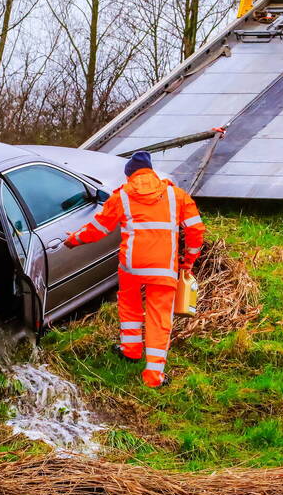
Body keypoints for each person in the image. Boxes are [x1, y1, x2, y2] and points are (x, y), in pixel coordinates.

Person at [65, 151, 205, 388]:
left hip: (131, 265)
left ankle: (130, 350)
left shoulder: (123, 196)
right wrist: (188, 261)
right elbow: (196, 231)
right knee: (159, 318)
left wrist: (74, 240)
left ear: (129, 175)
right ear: (151, 172)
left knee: (129, 305)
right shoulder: (176, 195)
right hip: (164, 267)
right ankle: (153, 377)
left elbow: (98, 228)